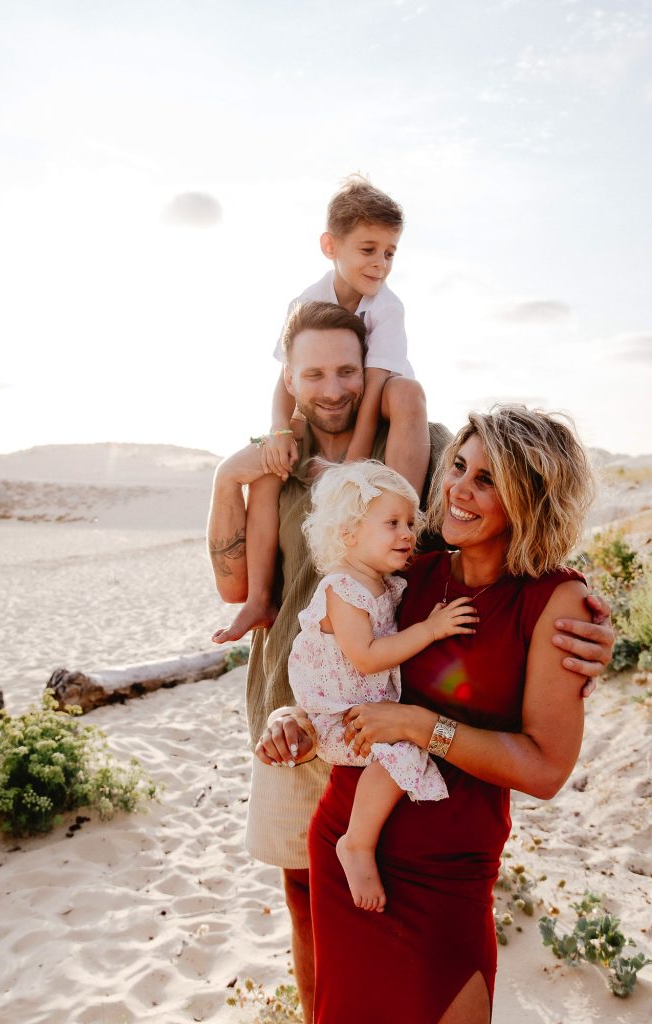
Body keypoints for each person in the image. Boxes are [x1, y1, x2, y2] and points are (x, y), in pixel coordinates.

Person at [207, 305, 615, 1024]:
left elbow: (545, 769)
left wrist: (422, 727)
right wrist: (291, 717)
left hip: (448, 871)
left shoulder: (556, 602)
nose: (458, 488)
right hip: (348, 846)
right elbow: (342, 665)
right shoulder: (410, 569)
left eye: (488, 480)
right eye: (458, 465)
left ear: (531, 498)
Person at [213, 175, 429, 645]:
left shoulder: (387, 309)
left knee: (408, 393)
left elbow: (372, 385)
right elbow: (286, 378)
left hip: (379, 392)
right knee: (273, 461)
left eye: (390, 252)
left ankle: (395, 509)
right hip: (320, 401)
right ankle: (261, 596)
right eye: (368, 250)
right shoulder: (306, 302)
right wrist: (278, 432)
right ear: (331, 246)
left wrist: (351, 466)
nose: (381, 263)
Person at [289, 461, 477, 912]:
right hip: (340, 718)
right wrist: (431, 631)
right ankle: (357, 842)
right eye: (391, 523)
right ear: (349, 534)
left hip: (362, 709)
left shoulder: (383, 584)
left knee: (406, 742)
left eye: (410, 523)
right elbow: (367, 656)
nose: (407, 534)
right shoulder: (343, 588)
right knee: (402, 750)